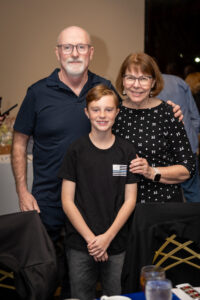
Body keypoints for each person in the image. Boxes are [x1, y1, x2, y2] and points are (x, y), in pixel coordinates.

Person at [11, 26, 182, 297]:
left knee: (83, 283)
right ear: (57, 52)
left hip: (98, 207)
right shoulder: (37, 92)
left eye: (81, 47)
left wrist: (167, 108)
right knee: (41, 282)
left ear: (91, 52)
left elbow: (132, 105)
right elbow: (19, 142)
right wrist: (22, 190)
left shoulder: (103, 88)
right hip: (49, 203)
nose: (74, 53)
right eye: (67, 47)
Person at [58, 84, 139, 300]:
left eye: (108, 109)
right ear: (86, 112)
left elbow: (130, 200)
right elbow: (67, 201)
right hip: (80, 244)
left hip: (117, 243)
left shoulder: (127, 151)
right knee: (81, 295)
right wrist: (93, 240)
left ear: (117, 112)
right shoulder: (76, 150)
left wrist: (107, 238)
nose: (102, 115)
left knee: (116, 296)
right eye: (95, 109)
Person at [114, 52, 196, 203]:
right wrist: (124, 170)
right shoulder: (114, 114)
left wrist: (151, 172)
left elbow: (188, 168)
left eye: (143, 78)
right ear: (123, 81)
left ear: (153, 82)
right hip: (121, 207)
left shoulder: (169, 114)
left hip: (162, 207)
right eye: (130, 77)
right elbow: (108, 166)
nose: (136, 85)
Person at [158, 73, 200, 202]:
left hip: (161, 151)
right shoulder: (179, 81)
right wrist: (191, 137)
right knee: (193, 192)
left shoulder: (144, 87)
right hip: (188, 147)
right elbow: (196, 118)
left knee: (165, 196)